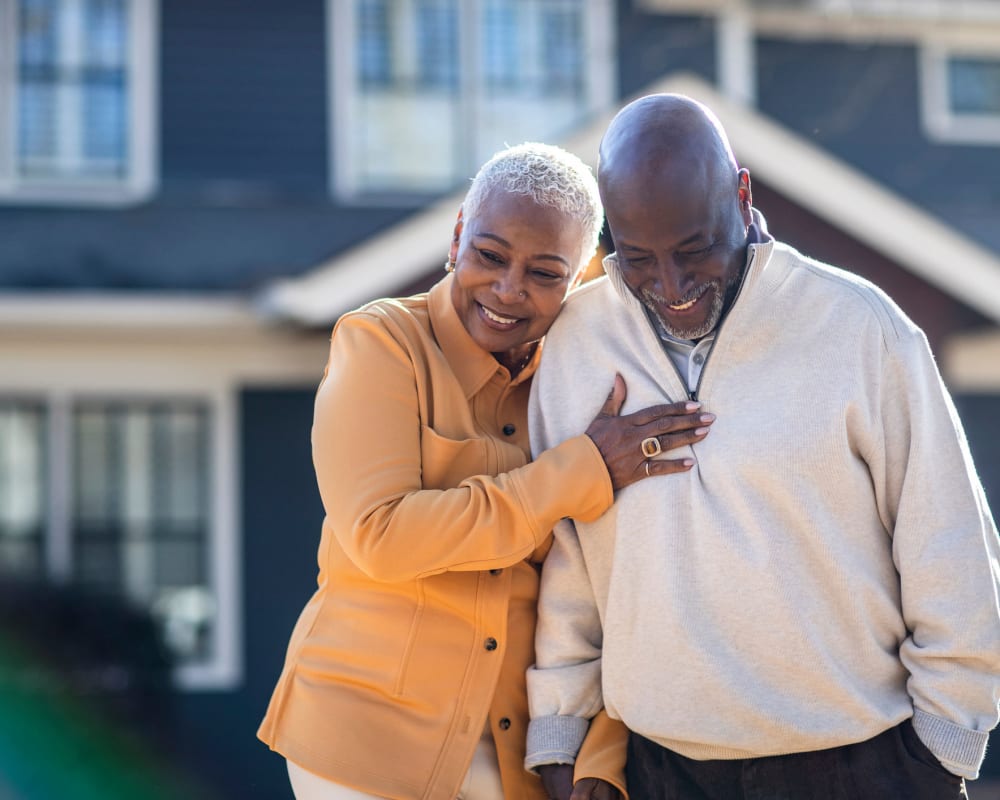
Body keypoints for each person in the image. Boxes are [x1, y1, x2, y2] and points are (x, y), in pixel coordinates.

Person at [523, 95, 1000, 799]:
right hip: (659, 772)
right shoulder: (573, 346)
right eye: (639, 259)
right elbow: (572, 558)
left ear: (742, 196)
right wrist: (561, 738)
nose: (673, 287)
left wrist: (945, 748)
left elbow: (950, 544)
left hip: (862, 768)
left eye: (694, 250)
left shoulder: (862, 328)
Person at [257, 142, 716, 800]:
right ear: (456, 240)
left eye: (544, 273)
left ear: (580, 278)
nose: (508, 290)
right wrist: (578, 469)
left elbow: (610, 585)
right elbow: (382, 536)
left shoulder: (577, 387)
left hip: (509, 756)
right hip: (362, 742)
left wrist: (599, 754)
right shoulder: (381, 344)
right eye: (490, 256)